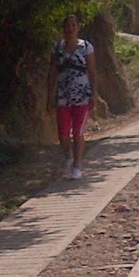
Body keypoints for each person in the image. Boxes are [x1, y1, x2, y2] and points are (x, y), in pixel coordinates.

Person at [48, 13, 95, 178]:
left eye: (73, 25)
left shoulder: (86, 47)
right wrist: (50, 95)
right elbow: (52, 72)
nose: (70, 29)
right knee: (62, 132)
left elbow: (92, 71)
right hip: (63, 95)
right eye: (67, 26)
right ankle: (68, 156)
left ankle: (77, 165)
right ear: (63, 29)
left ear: (78, 28)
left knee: (77, 132)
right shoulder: (57, 48)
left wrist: (93, 94)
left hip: (82, 95)